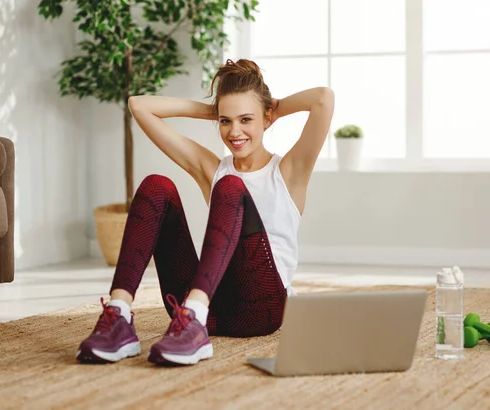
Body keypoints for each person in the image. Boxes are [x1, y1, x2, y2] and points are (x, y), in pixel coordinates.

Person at [76, 58, 335, 365]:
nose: (234, 131)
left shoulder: (289, 171)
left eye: (245, 120)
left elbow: (323, 99)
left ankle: (194, 318)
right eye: (225, 121)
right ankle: (119, 317)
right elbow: (139, 106)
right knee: (156, 186)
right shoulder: (213, 168)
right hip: (212, 305)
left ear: (267, 118)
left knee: (230, 187)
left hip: (261, 308)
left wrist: (272, 107)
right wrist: (213, 110)